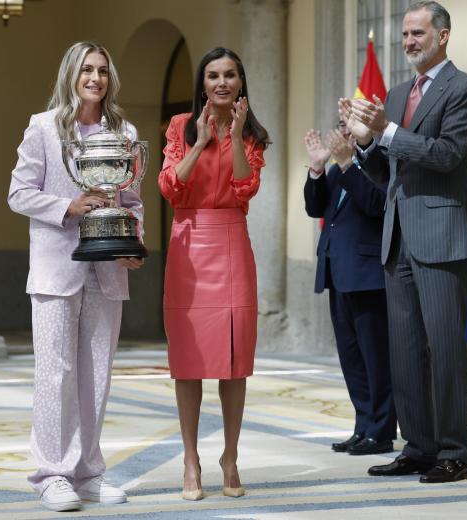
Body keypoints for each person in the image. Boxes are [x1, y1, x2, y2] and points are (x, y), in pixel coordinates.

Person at [338, 0, 467, 483]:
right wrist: (365, 142)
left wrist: (387, 130)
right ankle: (418, 446)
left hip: (442, 236)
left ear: (443, 35)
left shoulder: (465, 89)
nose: (408, 42)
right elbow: (388, 174)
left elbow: (447, 155)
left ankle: (453, 451)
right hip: (396, 237)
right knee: (403, 351)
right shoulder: (397, 94)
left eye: (418, 33)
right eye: (404, 35)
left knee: (443, 350)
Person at [7, 41, 144, 512]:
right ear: (71, 74)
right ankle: (52, 474)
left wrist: (133, 243)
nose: (95, 78)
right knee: (56, 373)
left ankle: (88, 473)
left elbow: (132, 201)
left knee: (96, 375)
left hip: (106, 269)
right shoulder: (42, 128)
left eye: (103, 71)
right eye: (87, 69)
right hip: (55, 269)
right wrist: (68, 206)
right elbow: (18, 193)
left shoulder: (124, 131)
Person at [158, 47, 268, 501]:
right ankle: (191, 460)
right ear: (202, 84)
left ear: (241, 82)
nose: (221, 83)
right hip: (188, 242)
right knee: (188, 362)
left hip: (231, 242)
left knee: (234, 358)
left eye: (229, 75)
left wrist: (238, 136)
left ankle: (230, 456)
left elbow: (245, 189)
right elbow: (169, 187)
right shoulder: (180, 127)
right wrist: (201, 142)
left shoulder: (253, 133)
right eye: (212, 76)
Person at [303, 121, 396, 455]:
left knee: (376, 358)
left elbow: (376, 205)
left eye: (350, 124)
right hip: (336, 271)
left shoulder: (381, 161)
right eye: (340, 124)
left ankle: (382, 431)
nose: (342, 130)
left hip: (368, 274)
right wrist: (317, 167)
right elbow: (316, 207)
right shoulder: (334, 168)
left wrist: (345, 164)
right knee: (352, 358)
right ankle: (363, 426)